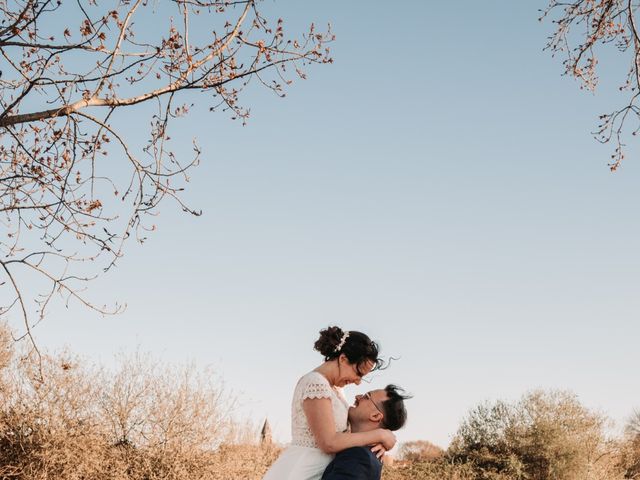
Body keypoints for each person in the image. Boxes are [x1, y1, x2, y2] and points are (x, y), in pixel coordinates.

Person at [262, 326, 396, 480]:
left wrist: (382, 442)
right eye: (358, 373)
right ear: (343, 359)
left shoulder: (336, 390)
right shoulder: (315, 383)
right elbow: (329, 442)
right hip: (305, 470)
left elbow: (347, 435)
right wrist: (378, 434)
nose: (358, 382)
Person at [321, 385, 411, 480]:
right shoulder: (367, 455)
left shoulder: (358, 456)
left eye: (367, 396)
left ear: (375, 416)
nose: (358, 397)